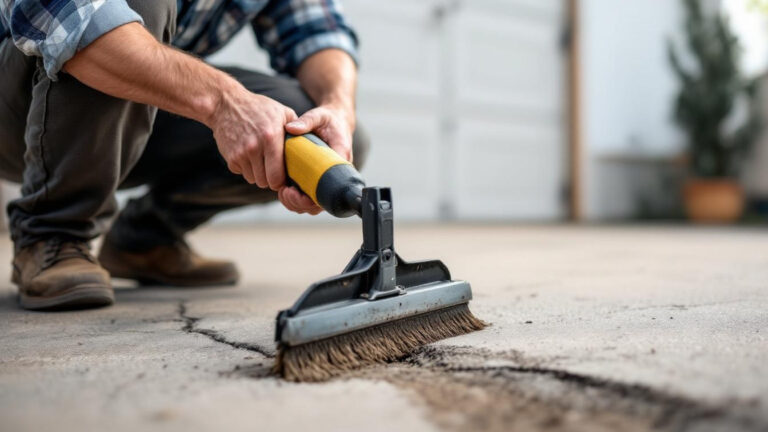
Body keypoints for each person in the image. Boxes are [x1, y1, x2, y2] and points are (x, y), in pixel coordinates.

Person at [0, 0, 367, 311]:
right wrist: (224, 102)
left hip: (124, 116)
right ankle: (51, 234)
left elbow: (316, 32)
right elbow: (73, 14)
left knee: (314, 136)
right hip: (19, 107)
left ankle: (144, 240)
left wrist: (338, 108)